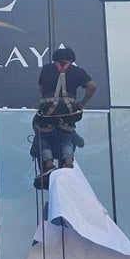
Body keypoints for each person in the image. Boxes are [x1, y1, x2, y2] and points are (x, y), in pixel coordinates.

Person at [31, 46, 96, 187]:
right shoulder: (77, 71)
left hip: (47, 112)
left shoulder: (47, 68)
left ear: (55, 58)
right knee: (67, 136)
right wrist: (82, 103)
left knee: (42, 136)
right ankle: (68, 162)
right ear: (71, 59)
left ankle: (49, 165)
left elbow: (41, 88)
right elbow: (92, 85)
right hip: (68, 112)